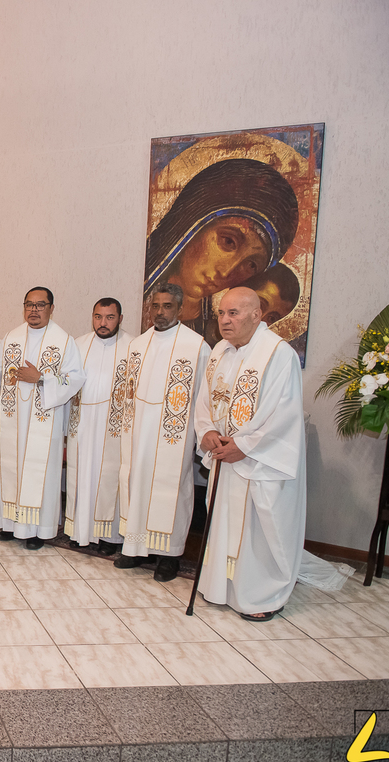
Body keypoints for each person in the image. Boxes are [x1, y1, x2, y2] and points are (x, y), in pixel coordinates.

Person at [194, 287, 306, 620]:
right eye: (221, 314)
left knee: (259, 529)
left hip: (259, 461)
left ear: (256, 315)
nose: (225, 321)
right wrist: (209, 432)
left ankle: (263, 596)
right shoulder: (220, 351)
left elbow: (283, 412)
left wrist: (244, 445)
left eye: (234, 313)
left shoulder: (277, 354)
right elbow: (205, 399)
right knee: (223, 521)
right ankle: (221, 587)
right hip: (225, 456)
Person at [0, 287, 84, 549]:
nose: (34, 310)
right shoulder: (12, 337)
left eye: (40, 305)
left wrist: (41, 378)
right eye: (29, 304)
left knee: (39, 474)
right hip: (13, 421)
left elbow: (75, 379)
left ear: (52, 308)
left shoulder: (64, 341)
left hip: (43, 422)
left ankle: (39, 531)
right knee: (11, 469)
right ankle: (10, 525)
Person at [142, 158, 299, 343]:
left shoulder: (214, 339)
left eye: (250, 265)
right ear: (193, 222)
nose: (226, 272)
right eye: (228, 241)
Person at [116, 283, 211, 582]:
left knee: (171, 489)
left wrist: (199, 434)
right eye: (155, 306)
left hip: (173, 434)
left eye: (167, 306)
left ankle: (169, 555)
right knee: (134, 482)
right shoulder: (137, 345)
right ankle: (133, 547)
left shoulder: (197, 347)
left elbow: (203, 398)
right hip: (137, 431)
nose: (159, 312)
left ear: (180, 309)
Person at [64, 298, 132, 554]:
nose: (103, 323)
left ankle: (109, 537)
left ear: (120, 318)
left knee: (109, 478)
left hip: (113, 428)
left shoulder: (132, 348)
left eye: (109, 317)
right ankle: (78, 530)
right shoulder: (78, 346)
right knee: (79, 477)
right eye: (98, 317)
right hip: (81, 424)